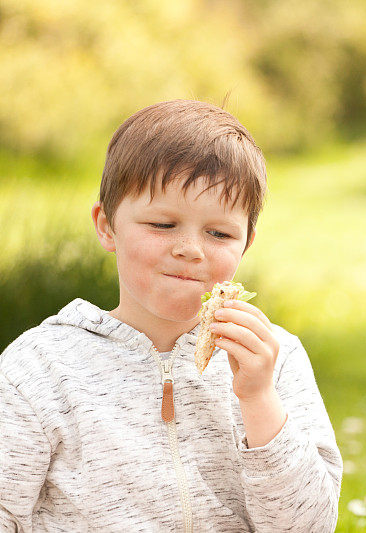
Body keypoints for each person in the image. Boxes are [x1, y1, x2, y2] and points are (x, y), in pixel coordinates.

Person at [0, 100, 342, 532]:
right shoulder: (39, 369)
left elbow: (310, 526)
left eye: (219, 233)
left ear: (246, 243)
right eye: (162, 224)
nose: (190, 249)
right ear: (107, 226)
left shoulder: (277, 361)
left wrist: (258, 399)